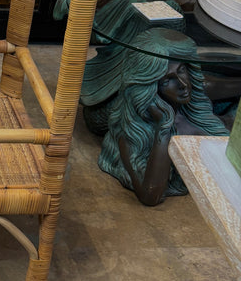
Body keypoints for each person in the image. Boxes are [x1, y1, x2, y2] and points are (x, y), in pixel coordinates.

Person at [96, 28, 228, 206]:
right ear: (149, 88)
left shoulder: (195, 111)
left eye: (182, 70)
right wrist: (164, 127)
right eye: (167, 80)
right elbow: (150, 196)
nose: (182, 84)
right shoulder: (131, 135)